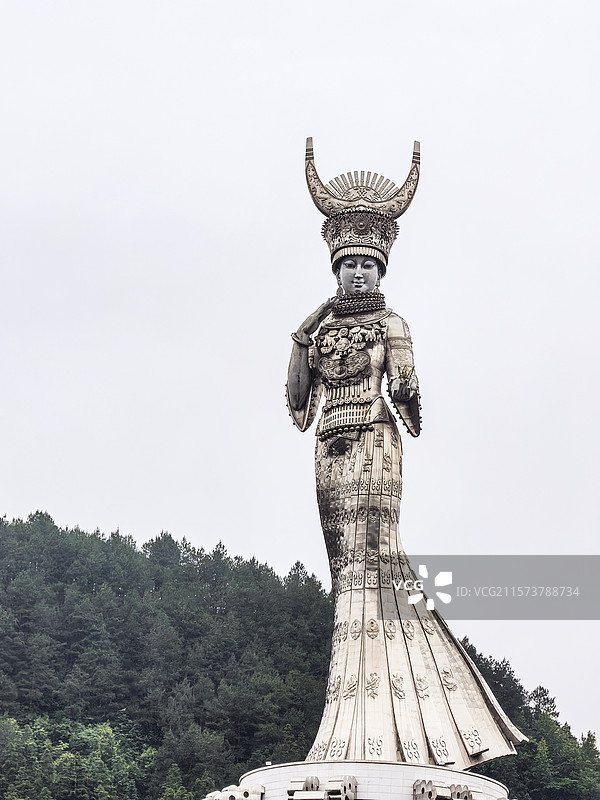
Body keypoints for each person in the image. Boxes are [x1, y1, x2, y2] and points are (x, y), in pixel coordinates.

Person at [286, 139, 526, 765]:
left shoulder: (393, 325)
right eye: (348, 264)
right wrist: (302, 334)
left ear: (381, 268)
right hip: (329, 452)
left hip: (373, 443)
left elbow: (408, 395)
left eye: (368, 263)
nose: (358, 272)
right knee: (344, 572)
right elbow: (296, 398)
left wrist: (403, 381)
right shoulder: (321, 331)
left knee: (375, 561)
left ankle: (391, 715)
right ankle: (354, 704)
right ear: (334, 268)